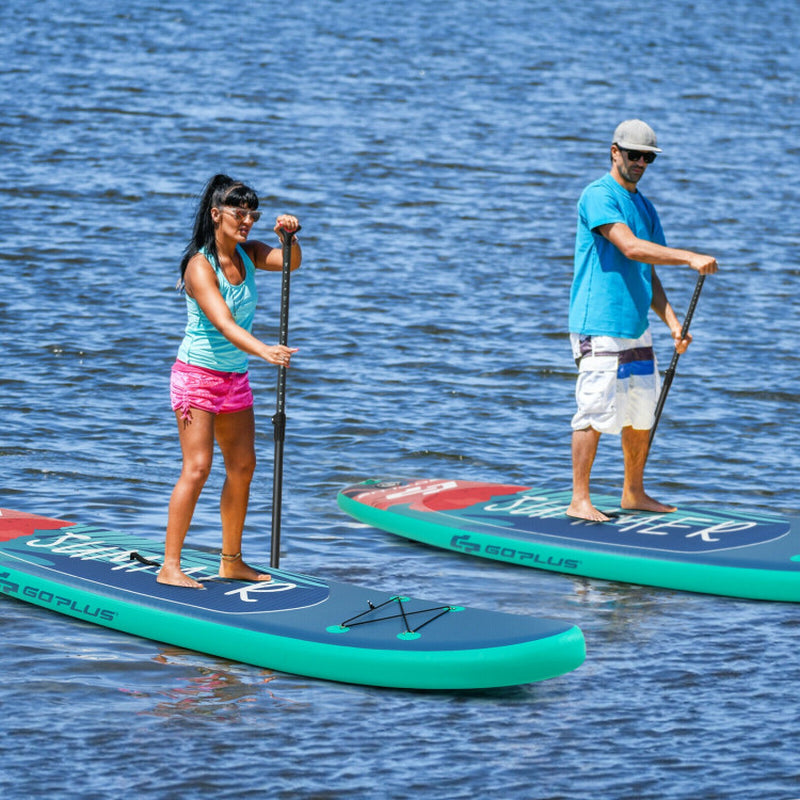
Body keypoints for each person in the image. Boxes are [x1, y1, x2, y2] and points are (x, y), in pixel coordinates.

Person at [566, 120, 718, 522]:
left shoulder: (645, 206)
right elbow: (631, 248)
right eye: (633, 154)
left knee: (640, 412)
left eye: (648, 157)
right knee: (594, 411)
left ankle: (633, 492)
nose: (640, 163)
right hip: (598, 322)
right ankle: (579, 498)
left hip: (635, 324)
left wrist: (671, 322)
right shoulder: (598, 196)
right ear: (615, 151)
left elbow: (648, 270)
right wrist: (688, 256)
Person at [157, 174, 301, 588]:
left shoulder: (250, 254)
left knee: (243, 466)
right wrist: (265, 351)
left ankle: (231, 561)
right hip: (196, 378)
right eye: (241, 213)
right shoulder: (198, 266)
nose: (248, 221)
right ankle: (170, 565)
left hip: (234, 379)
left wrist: (289, 237)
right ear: (216, 214)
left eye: (253, 214)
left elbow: (292, 262)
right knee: (198, 468)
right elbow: (221, 322)